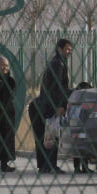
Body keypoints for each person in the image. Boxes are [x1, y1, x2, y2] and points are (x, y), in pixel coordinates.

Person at [31, 38, 73, 173]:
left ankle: (45, 166)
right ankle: (50, 165)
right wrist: (60, 105)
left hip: (44, 104)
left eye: (70, 50)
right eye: (67, 49)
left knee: (46, 135)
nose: (69, 52)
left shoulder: (57, 62)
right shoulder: (58, 64)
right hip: (50, 105)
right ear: (59, 49)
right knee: (52, 133)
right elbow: (57, 87)